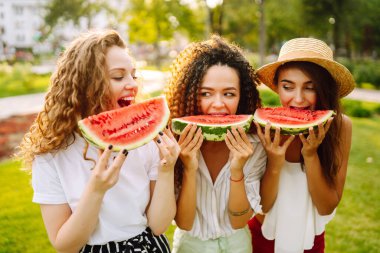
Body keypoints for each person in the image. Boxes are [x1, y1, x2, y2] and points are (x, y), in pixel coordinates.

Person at [17, 30, 180, 253]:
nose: (132, 84)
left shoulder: (147, 142)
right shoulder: (51, 154)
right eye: (118, 76)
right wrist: (96, 189)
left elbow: (159, 225)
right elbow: (65, 245)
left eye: (133, 75)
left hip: (149, 246)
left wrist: (166, 170)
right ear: (86, 84)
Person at [248, 37, 355, 253]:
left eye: (310, 88)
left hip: (311, 240)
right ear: (277, 87)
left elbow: (326, 206)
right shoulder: (261, 125)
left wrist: (311, 155)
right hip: (261, 234)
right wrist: (274, 161)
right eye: (288, 87)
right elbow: (261, 205)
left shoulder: (341, 126)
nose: (298, 99)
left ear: (325, 89)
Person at [165, 35, 267, 253]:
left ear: (242, 97)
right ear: (189, 94)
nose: (218, 104)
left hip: (238, 245)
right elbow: (184, 222)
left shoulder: (255, 146)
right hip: (189, 246)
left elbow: (239, 222)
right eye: (206, 93)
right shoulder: (173, 144)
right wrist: (189, 168)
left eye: (229, 94)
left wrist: (237, 169)